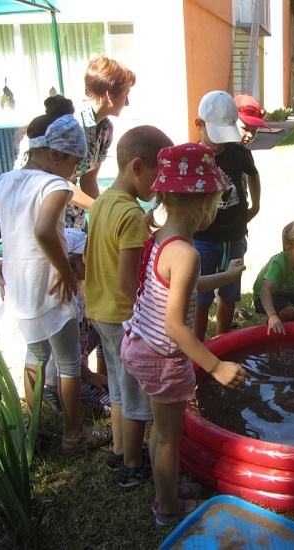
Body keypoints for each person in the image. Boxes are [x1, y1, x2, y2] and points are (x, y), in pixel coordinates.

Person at [0, 98, 111, 451]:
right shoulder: (54, 186)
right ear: (55, 155)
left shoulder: (6, 181)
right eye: (73, 163)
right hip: (50, 289)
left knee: (34, 356)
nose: (73, 171)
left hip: (20, 291)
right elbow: (42, 230)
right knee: (68, 363)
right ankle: (73, 435)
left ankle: (33, 431)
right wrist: (65, 269)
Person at [122, 142, 248, 526]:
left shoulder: (163, 237)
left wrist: (225, 276)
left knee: (162, 433)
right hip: (162, 357)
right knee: (166, 438)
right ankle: (168, 507)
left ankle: (168, 489)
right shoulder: (188, 252)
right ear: (204, 202)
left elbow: (180, 285)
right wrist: (215, 366)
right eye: (216, 200)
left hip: (139, 344)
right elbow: (176, 326)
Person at [85, 125, 173, 491]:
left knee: (119, 389)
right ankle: (134, 466)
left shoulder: (104, 201)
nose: (160, 185)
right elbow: (128, 282)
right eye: (159, 175)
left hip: (99, 311)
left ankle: (120, 450)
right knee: (136, 393)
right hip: (125, 317)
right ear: (138, 166)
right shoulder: (132, 217)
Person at [14, 55, 136, 230]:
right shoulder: (71, 124)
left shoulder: (106, 128)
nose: (127, 102)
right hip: (38, 207)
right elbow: (57, 179)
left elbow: (89, 180)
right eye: (126, 94)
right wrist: (99, 209)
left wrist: (100, 221)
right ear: (109, 94)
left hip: (68, 211)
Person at [193, 91, 261, 340]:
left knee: (229, 293)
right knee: (201, 297)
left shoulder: (238, 151)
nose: (220, 143)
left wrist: (256, 205)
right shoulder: (193, 156)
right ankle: (198, 347)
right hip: (203, 239)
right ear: (199, 124)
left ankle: (223, 340)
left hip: (235, 237)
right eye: (216, 134)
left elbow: (253, 174)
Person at [42, 228, 110, 414]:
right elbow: (65, 352)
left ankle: (105, 376)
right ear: (69, 264)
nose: (91, 264)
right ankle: (53, 392)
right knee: (115, 403)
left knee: (106, 328)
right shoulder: (63, 298)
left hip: (80, 362)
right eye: (85, 260)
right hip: (67, 375)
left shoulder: (78, 289)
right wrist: (89, 376)